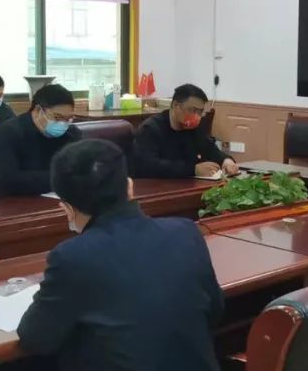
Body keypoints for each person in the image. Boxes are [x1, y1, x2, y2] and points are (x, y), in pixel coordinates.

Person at [17, 139, 223, 370]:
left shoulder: (72, 257)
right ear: (130, 187)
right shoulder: (185, 231)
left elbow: (35, 338)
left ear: (66, 208)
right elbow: (215, 310)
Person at [0, 84, 81, 196]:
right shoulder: (9, 132)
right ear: (38, 110)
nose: (63, 123)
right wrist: (61, 179)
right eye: (58, 117)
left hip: (61, 197)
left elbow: (80, 171)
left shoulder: (71, 134)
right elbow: (8, 179)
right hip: (19, 200)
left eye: (68, 118)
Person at [133, 84, 238, 179]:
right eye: (193, 110)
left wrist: (226, 160)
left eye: (200, 112)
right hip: (158, 187)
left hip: (188, 185)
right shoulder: (150, 129)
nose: (197, 116)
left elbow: (210, 149)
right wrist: (193, 169)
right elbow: (148, 166)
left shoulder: (194, 129)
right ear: (176, 106)